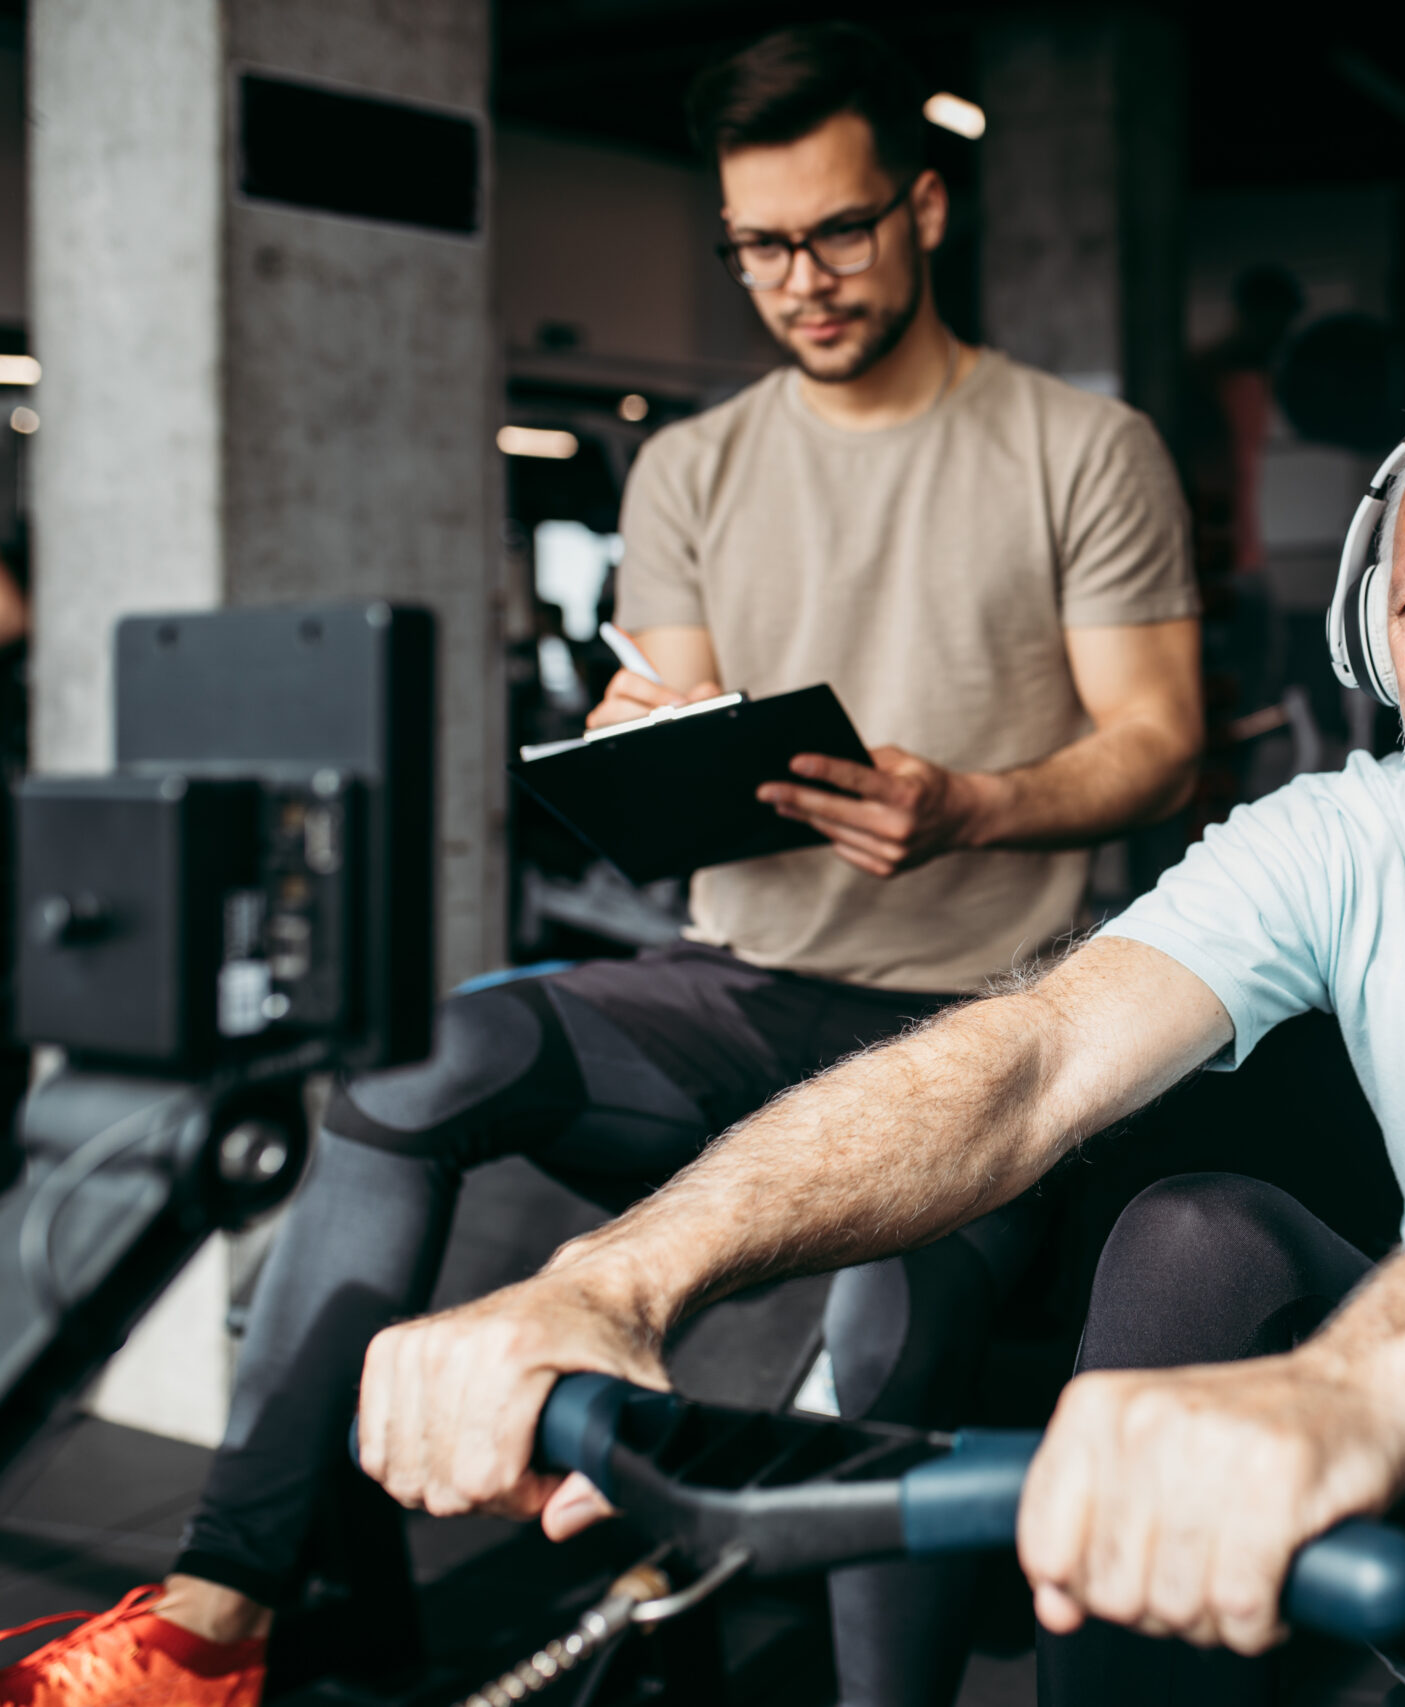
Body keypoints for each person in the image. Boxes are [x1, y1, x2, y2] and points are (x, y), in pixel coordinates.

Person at [355, 372, 1405, 1707]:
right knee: (1191, 1237)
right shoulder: (1347, 832)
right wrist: (611, 1281)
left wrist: (1365, 1379)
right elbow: (1029, 1060)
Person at [0, 22, 1200, 1707]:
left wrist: (971, 806)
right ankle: (218, 1616)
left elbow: (1159, 738)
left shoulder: (1082, 449)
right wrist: (650, 734)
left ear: (925, 207)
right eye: (762, 246)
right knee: (413, 1066)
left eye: (841, 230)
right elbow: (676, 707)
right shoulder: (693, 465)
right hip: (739, 993)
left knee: (883, 1321)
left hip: (978, 1023)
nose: (804, 278)